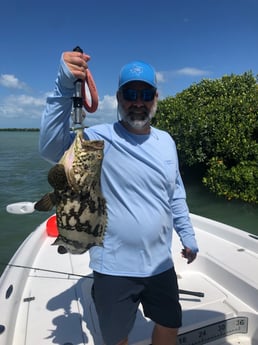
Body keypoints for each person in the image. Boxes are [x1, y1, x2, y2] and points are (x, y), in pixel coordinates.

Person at [39, 49, 199, 345]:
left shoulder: (167, 141)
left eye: (145, 93)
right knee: (116, 337)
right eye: (130, 93)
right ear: (118, 97)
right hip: (112, 268)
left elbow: (175, 194)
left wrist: (187, 236)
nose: (138, 102)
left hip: (160, 265)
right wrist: (63, 86)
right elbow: (50, 149)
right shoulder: (99, 139)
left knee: (169, 324)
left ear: (155, 97)